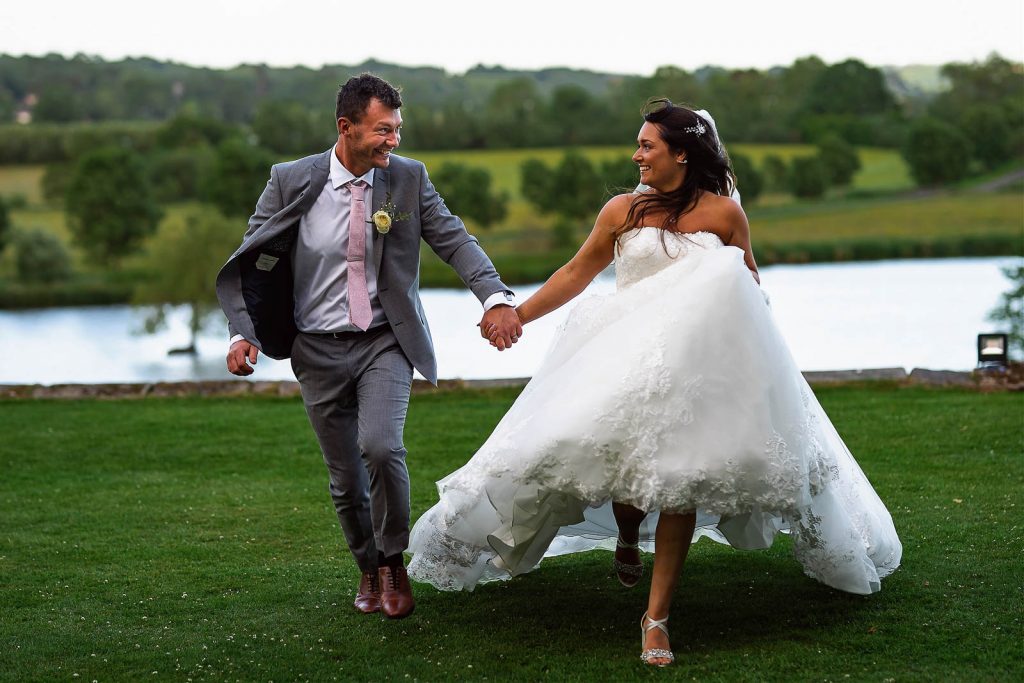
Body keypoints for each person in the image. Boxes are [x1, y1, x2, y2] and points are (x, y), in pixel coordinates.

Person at [406, 99, 902, 664]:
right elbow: (576, 272)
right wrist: (518, 313)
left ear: (682, 154)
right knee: (624, 484)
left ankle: (656, 617)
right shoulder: (622, 210)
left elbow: (748, 287)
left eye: (647, 145)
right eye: (639, 144)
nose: (636, 154)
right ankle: (625, 531)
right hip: (627, 359)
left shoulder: (724, 216)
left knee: (678, 483)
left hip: (696, 373)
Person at [215, 74, 522, 620]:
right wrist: (244, 332)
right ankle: (366, 565)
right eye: (383, 130)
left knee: (381, 447)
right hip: (315, 346)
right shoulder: (290, 181)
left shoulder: (407, 179)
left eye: (398, 129)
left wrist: (494, 296)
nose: (394, 141)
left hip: (385, 340)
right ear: (346, 127)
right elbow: (251, 261)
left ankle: (394, 562)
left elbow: (454, 238)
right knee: (345, 478)